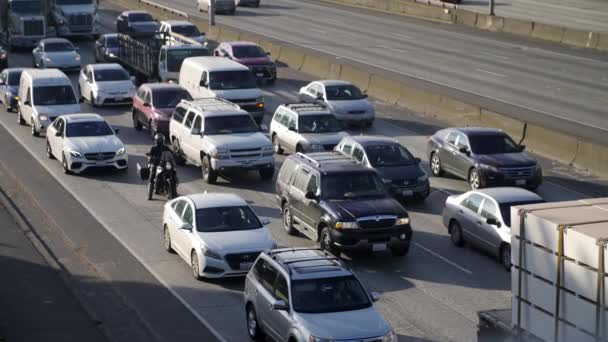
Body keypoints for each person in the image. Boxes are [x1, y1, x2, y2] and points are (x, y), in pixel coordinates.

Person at [148, 134, 172, 199]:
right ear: (156, 141)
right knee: (152, 173)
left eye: (161, 140)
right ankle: (150, 189)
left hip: (164, 164)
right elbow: (150, 156)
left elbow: (171, 153)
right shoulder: (153, 148)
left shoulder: (166, 148)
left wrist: (174, 155)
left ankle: (171, 189)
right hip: (156, 164)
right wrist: (151, 159)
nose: (160, 141)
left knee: (171, 171)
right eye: (158, 140)